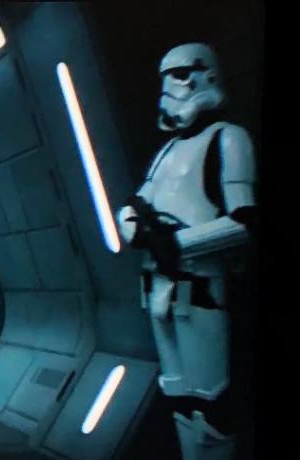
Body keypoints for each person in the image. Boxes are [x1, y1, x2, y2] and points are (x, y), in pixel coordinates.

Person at [115, 43, 257, 460]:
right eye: (168, 77)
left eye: (180, 74)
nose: (173, 87)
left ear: (205, 75)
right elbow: (137, 201)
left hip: (200, 286)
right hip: (158, 284)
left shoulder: (228, 138)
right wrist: (133, 226)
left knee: (210, 400)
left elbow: (244, 220)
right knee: (176, 394)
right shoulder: (168, 149)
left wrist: (176, 243)